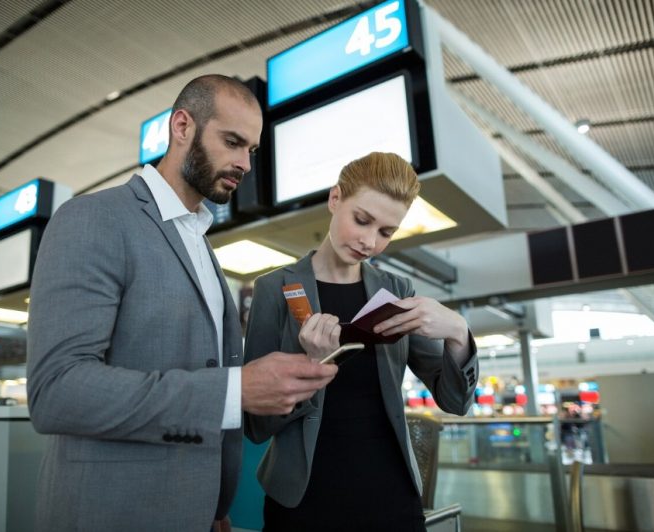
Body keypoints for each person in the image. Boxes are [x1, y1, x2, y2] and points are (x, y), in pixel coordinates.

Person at [26, 74, 338, 532]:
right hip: (109, 515)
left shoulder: (203, 249)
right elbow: (58, 391)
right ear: (181, 127)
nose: (245, 164)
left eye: (250, 150)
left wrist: (211, 506)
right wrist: (234, 391)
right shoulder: (93, 219)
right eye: (232, 142)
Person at [243, 152, 479, 531]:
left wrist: (458, 332)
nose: (370, 241)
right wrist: (313, 367)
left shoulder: (396, 290)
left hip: (390, 491)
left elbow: (455, 400)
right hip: (305, 495)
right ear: (335, 199)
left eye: (387, 232)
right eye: (362, 220)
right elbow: (256, 424)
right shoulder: (275, 289)